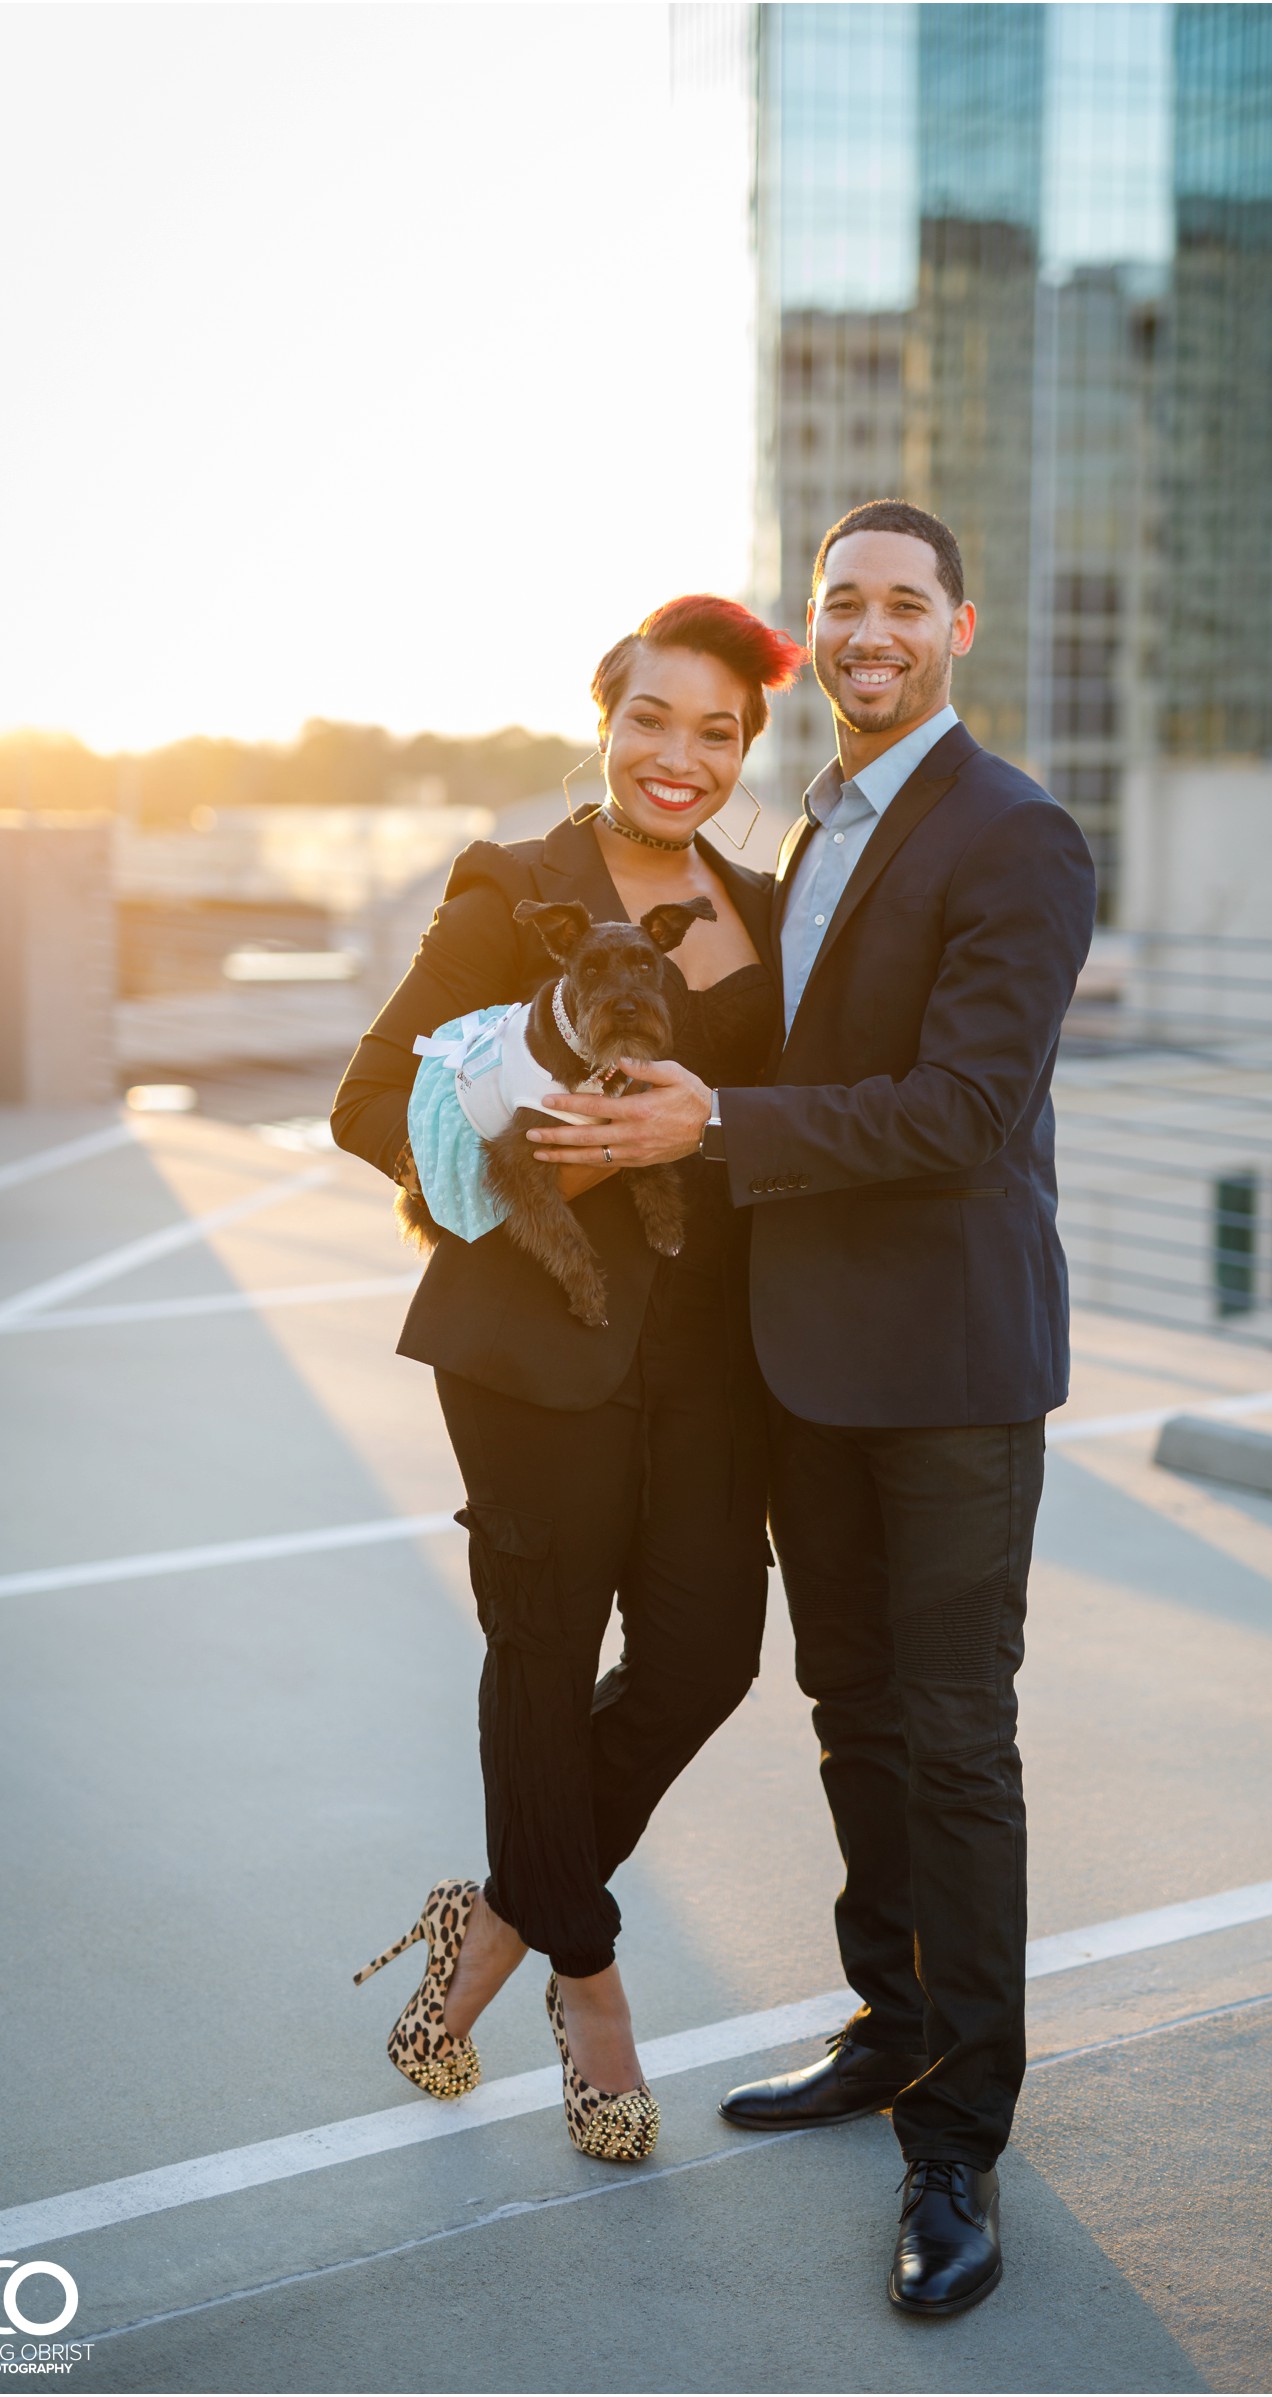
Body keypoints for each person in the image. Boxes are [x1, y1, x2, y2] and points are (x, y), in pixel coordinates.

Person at [527, 501, 1097, 2300]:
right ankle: (887, 2025)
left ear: (957, 627)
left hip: (944, 1373)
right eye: (842, 601)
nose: (870, 629)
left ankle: (957, 2147)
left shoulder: (1017, 833)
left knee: (951, 1739)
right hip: (810, 1372)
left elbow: (962, 1109)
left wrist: (720, 1124)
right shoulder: (808, 833)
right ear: (814, 627)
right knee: (854, 1710)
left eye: (903, 604)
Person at [332, 595, 802, 2164]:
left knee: (704, 1656)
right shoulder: (513, 889)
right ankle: (588, 1982)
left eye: (719, 731)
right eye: (654, 718)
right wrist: (563, 1144)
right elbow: (366, 1105)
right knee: (543, 1651)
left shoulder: (763, 899)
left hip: (718, 1362)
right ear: (603, 719)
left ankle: (499, 1913)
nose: (684, 756)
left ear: (748, 749)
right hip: (536, 1349)